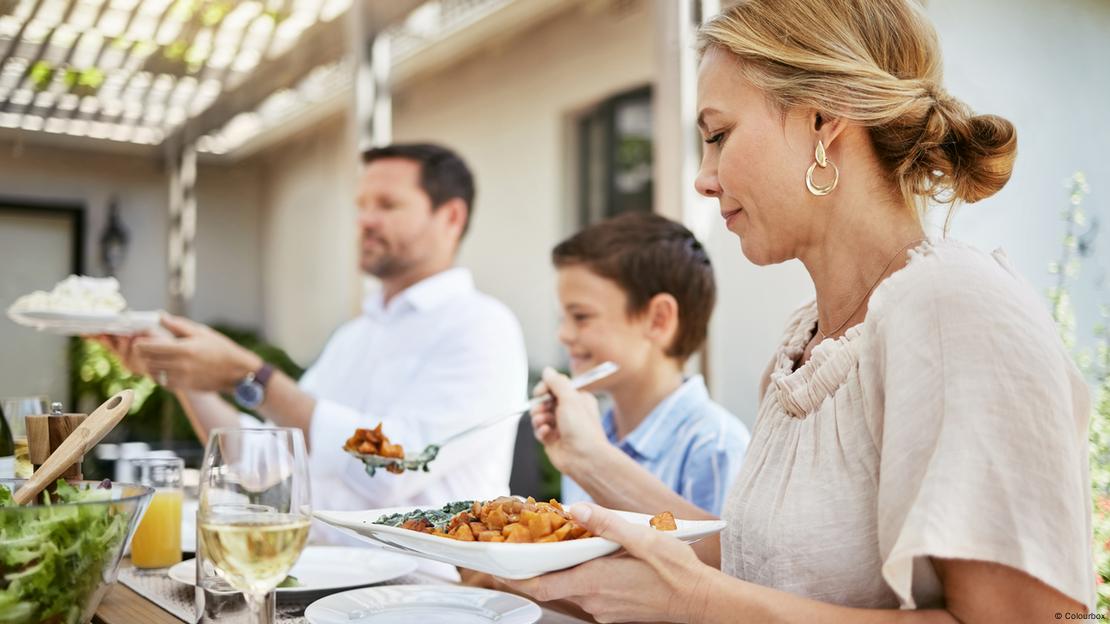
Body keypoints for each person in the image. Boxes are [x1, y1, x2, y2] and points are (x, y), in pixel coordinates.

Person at [510, 1, 1094, 620]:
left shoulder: (958, 311)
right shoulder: (805, 345)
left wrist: (692, 603)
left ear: (824, 118)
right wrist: (586, 461)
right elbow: (756, 562)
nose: (703, 180)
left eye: (717, 136)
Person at [104, 143, 529, 542]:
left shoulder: (482, 327)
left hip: (427, 593)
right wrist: (180, 373)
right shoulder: (355, 335)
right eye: (361, 206)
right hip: (315, 578)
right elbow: (261, 463)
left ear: (451, 217)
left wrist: (248, 375)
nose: (365, 220)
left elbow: (395, 463)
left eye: (387, 205)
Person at [540, 212, 749, 515]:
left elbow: (721, 560)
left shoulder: (715, 447)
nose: (564, 335)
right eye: (563, 318)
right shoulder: (589, 436)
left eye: (581, 317)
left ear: (659, 319)